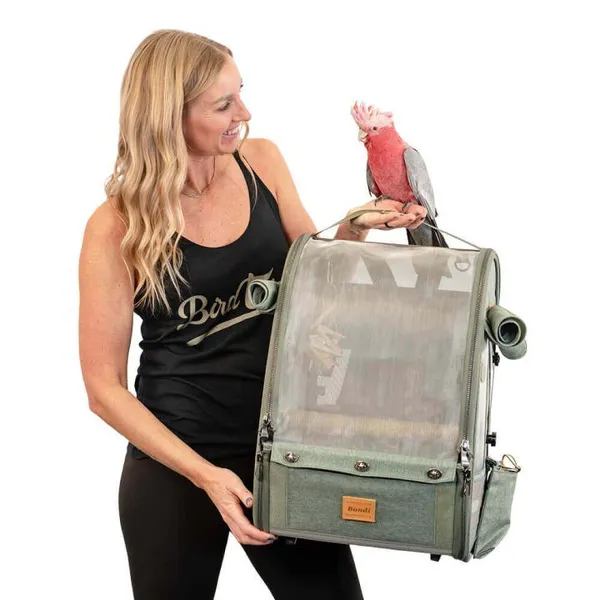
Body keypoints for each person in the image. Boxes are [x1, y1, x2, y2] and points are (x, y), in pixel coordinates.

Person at [78, 29, 426, 600]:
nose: (244, 113)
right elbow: (103, 390)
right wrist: (206, 476)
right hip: (176, 460)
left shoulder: (261, 161)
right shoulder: (115, 226)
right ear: (169, 116)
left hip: (282, 445)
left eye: (241, 93)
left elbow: (314, 282)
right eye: (223, 104)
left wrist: (354, 227)